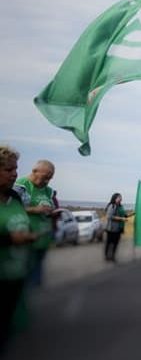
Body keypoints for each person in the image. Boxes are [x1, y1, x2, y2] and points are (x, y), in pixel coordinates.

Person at [0, 145, 35, 354]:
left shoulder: (15, 197)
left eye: (16, 169)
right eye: (8, 170)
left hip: (14, 277)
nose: (15, 174)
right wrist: (9, 239)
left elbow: (21, 223)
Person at [13, 160, 55, 287]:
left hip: (42, 238)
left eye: (50, 178)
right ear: (35, 171)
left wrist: (52, 212)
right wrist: (34, 209)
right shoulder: (21, 185)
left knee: (36, 277)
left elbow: (50, 207)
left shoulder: (48, 190)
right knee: (24, 276)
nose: (47, 181)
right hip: (26, 238)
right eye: (45, 177)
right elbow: (11, 208)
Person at [103, 193, 127, 262]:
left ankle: (113, 256)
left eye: (121, 197)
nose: (120, 198)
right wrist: (121, 219)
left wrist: (125, 216)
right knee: (109, 242)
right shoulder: (112, 206)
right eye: (119, 197)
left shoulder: (120, 206)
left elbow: (122, 215)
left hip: (118, 228)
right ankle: (107, 256)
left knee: (116, 243)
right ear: (115, 198)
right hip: (111, 229)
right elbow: (109, 216)